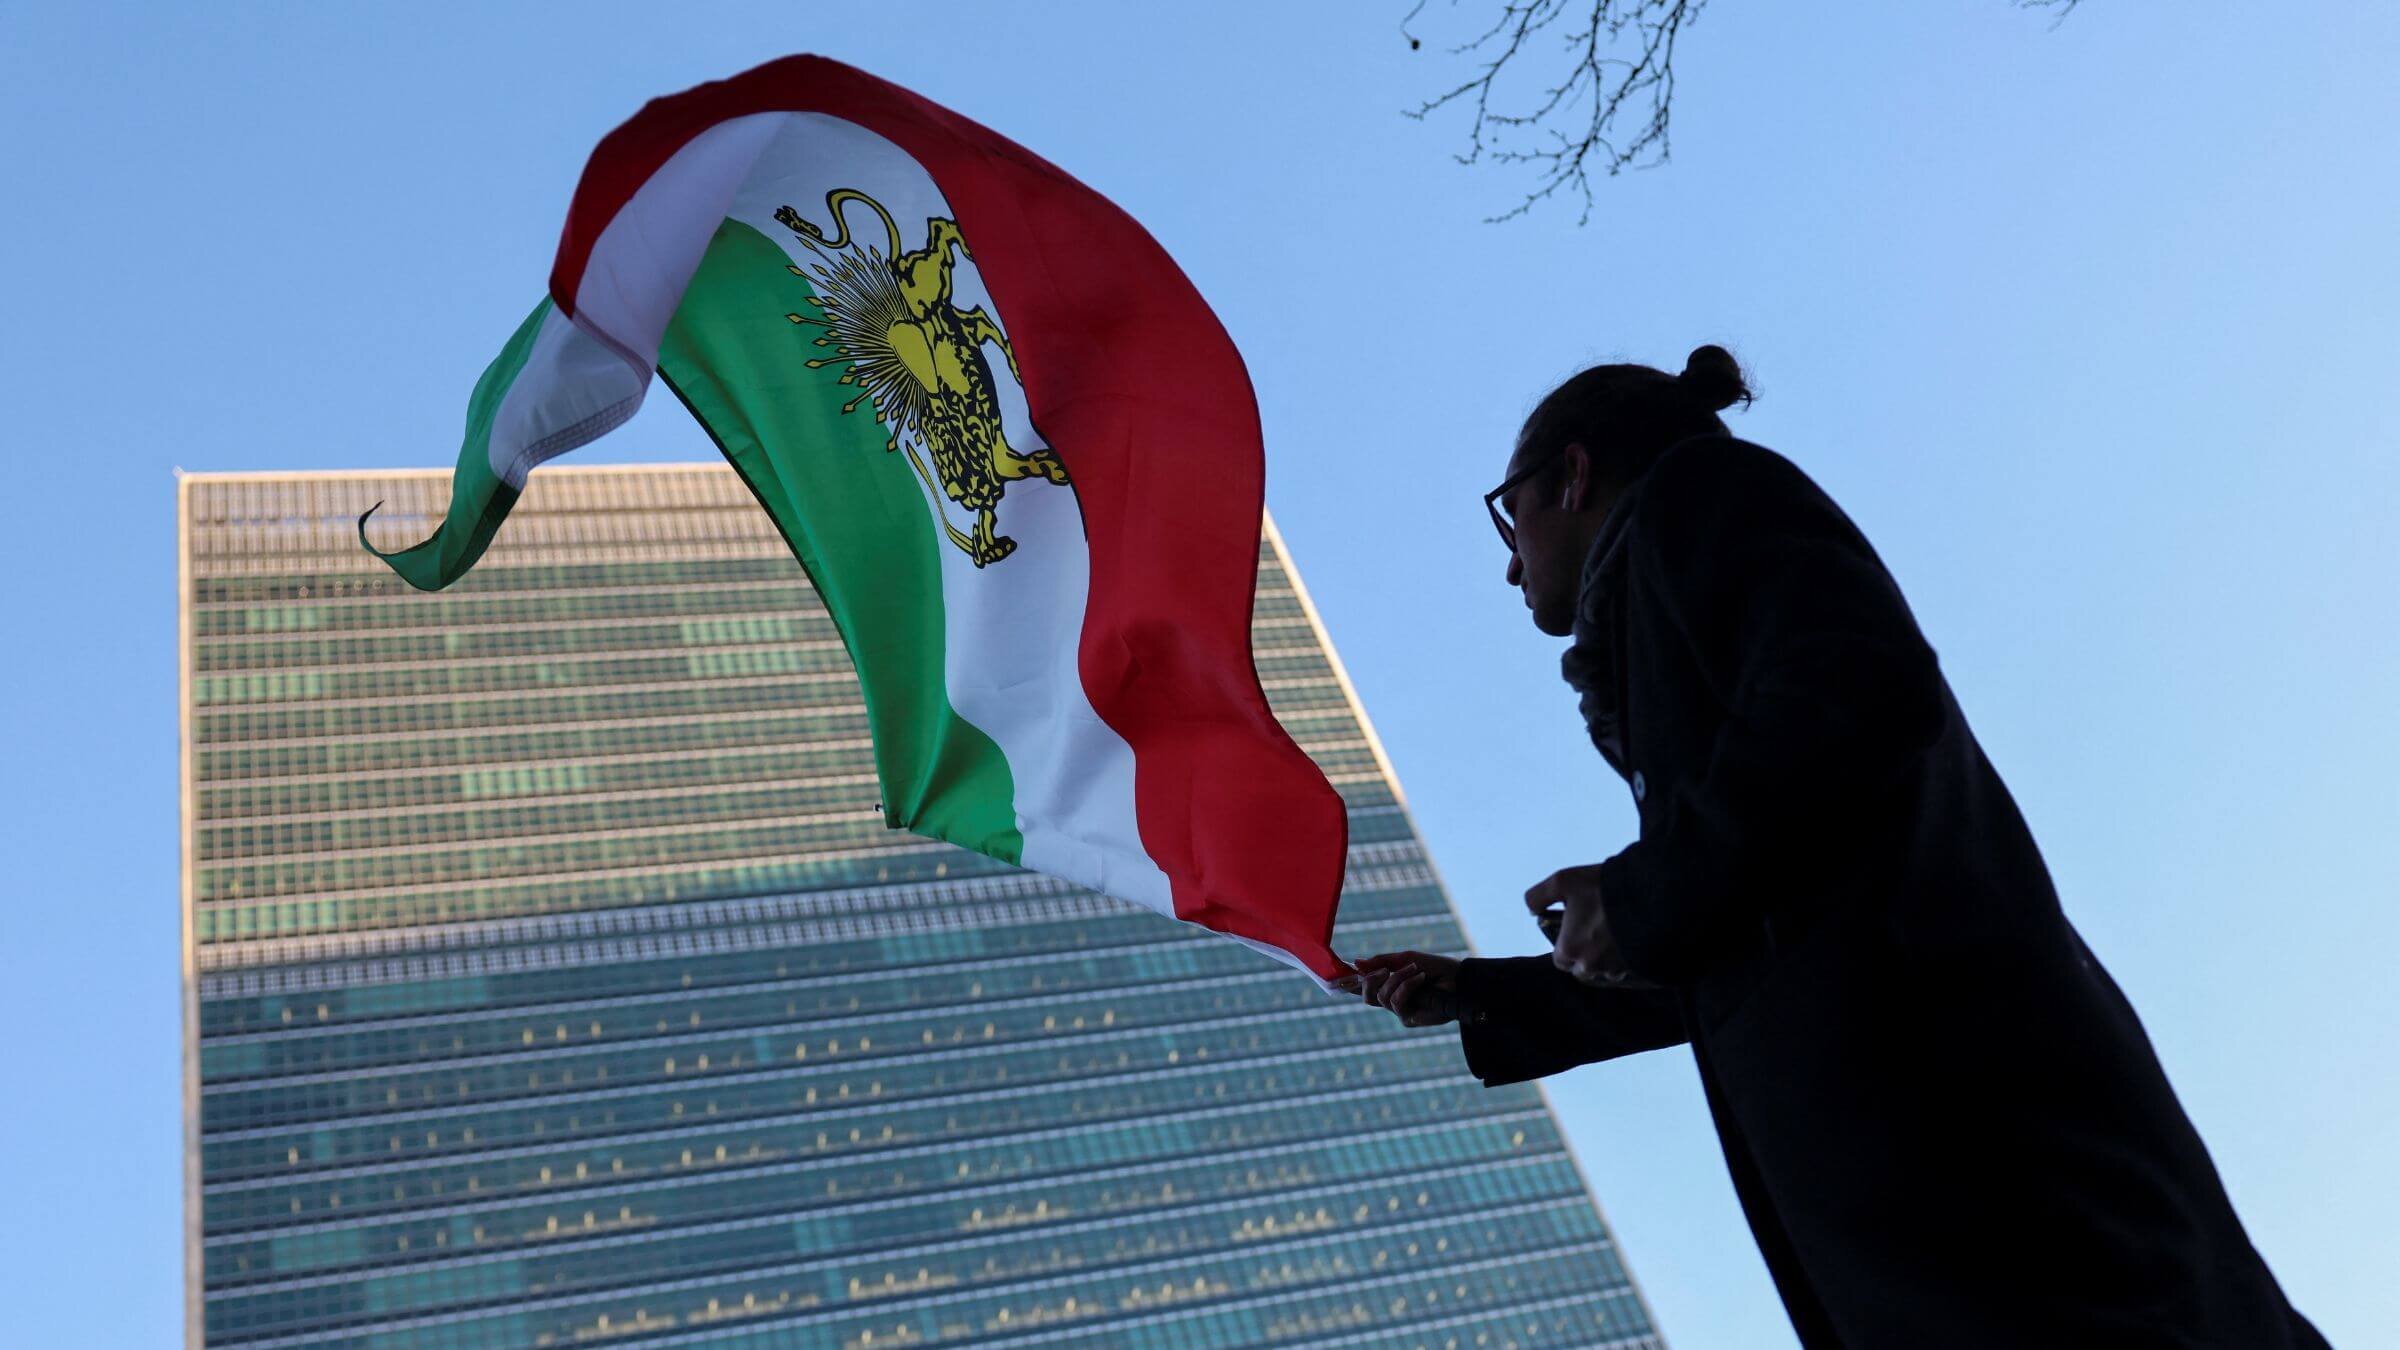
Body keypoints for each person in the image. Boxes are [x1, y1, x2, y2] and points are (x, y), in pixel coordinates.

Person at [1342, 347, 2327, 1348]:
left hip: (1986, 1163)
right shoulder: (1657, 624)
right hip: (1947, 1202)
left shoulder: (1699, 495)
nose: (1510, 561)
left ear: (1575, 474)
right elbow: (1754, 950)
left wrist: (1638, 899)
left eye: (1512, 519)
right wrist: (1488, 991)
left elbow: (1860, 690)